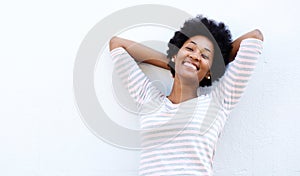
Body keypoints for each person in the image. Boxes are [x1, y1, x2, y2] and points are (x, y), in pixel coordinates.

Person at [109, 15, 263, 176]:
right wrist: (172, 62)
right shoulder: (149, 99)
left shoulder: (219, 102)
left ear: (210, 71)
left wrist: (213, 62)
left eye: (204, 55)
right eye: (190, 49)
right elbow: (116, 44)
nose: (195, 55)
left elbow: (255, 37)